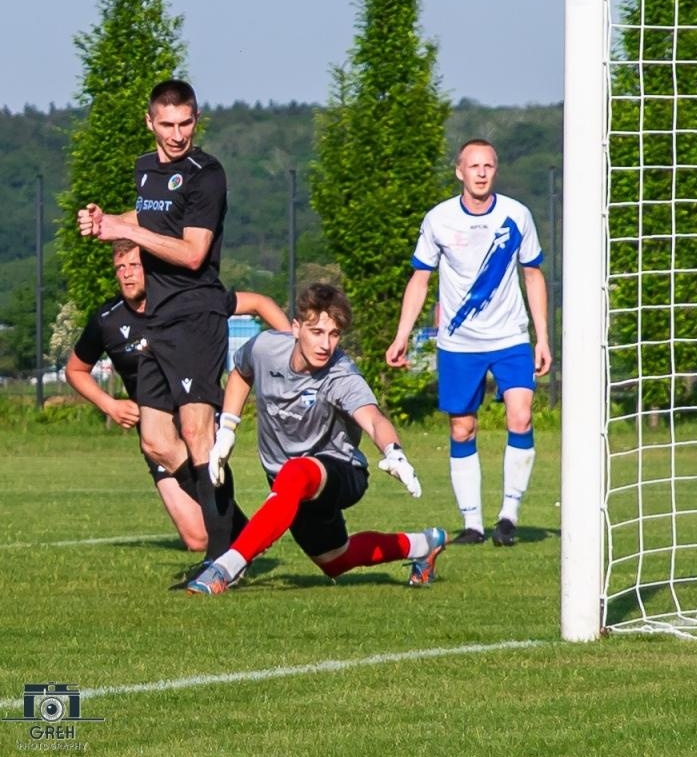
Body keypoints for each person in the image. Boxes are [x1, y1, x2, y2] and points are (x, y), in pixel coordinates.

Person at [188, 283, 446, 595]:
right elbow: (242, 373)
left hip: (340, 470)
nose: (326, 344)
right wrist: (227, 428)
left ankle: (223, 569)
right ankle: (424, 544)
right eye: (317, 331)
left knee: (296, 471)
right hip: (287, 483)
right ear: (296, 329)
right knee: (335, 560)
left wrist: (394, 452)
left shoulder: (341, 375)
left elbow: (374, 419)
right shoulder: (266, 347)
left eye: (334, 334)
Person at [77, 78, 237, 560]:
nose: (176, 133)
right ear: (150, 122)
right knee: (156, 439)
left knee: (196, 433)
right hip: (158, 321)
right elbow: (152, 218)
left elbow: (191, 252)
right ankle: (237, 526)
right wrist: (108, 222)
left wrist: (126, 229)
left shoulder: (206, 173)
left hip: (195, 312)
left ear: (196, 119)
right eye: (166, 124)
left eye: (184, 123)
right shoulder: (145, 169)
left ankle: (221, 559)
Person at [63, 238, 290, 552]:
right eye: (120, 268)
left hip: (197, 414)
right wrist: (110, 404)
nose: (127, 274)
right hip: (158, 435)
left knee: (197, 445)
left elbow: (260, 302)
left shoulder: (183, 303)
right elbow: (74, 370)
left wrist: (289, 345)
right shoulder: (107, 321)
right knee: (197, 539)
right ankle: (241, 530)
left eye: (135, 266)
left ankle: (227, 548)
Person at [386, 139, 552, 546]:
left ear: (495, 171)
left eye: (488, 166)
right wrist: (402, 335)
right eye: (473, 165)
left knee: (521, 416)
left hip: (511, 336)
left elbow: (532, 275)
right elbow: (420, 279)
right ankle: (473, 525)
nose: (481, 172)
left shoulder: (517, 215)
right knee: (462, 429)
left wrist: (542, 337)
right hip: (459, 343)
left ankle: (508, 517)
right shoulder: (439, 219)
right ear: (459, 171)